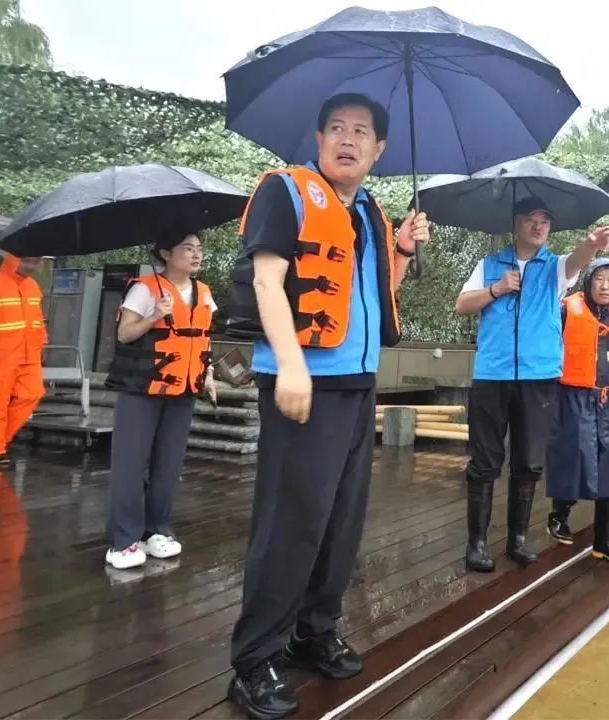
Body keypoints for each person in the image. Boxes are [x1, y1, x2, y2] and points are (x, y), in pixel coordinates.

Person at [225, 92, 430, 720]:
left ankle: (314, 631)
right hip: (303, 382)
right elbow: (267, 279)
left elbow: (370, 294)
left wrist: (402, 251)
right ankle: (256, 659)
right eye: (336, 128)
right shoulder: (285, 192)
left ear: (379, 149)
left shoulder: (369, 211)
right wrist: (290, 365)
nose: (348, 138)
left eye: (361, 131)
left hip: (357, 382)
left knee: (340, 521)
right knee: (291, 522)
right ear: (318, 141)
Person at [454, 200, 609, 573]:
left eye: (545, 221)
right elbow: (462, 304)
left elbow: (576, 261)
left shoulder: (555, 267)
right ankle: (476, 544)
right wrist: (497, 289)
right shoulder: (489, 264)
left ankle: (517, 540)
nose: (539, 226)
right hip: (492, 375)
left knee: (528, 461)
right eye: (532, 220)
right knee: (484, 461)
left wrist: (592, 244)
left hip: (538, 377)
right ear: (516, 224)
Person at [103, 232, 217, 571]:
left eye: (198, 249)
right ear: (166, 253)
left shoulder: (204, 292)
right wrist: (154, 315)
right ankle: (124, 540)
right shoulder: (145, 289)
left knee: (168, 465)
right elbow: (124, 333)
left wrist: (208, 374)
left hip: (183, 389)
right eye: (187, 249)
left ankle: (157, 530)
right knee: (130, 464)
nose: (196, 255)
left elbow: (203, 338)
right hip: (143, 388)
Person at [546, 257, 609, 565]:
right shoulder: (566, 309)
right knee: (574, 454)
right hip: (572, 397)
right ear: (588, 282)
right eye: (599, 279)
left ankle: (605, 541)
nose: (605, 286)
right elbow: (548, 350)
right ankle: (559, 516)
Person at [0, 254, 47, 468]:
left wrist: (41, 344)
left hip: (29, 352)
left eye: (36, 261)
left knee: (33, 394)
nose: (32, 266)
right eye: (27, 260)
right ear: (14, 259)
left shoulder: (33, 286)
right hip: (0, 353)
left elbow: (37, 319)